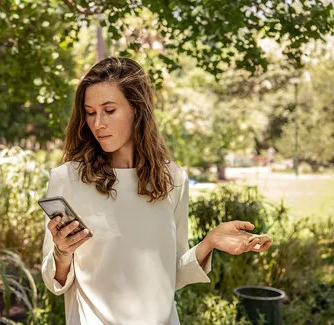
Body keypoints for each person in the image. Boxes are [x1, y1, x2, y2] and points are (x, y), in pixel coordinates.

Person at [41, 57, 271, 324]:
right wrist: (62, 251)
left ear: (136, 110)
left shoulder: (171, 178)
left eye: (109, 110)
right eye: (90, 112)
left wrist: (210, 241)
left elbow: (171, 274)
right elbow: (52, 280)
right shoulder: (67, 179)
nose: (98, 123)